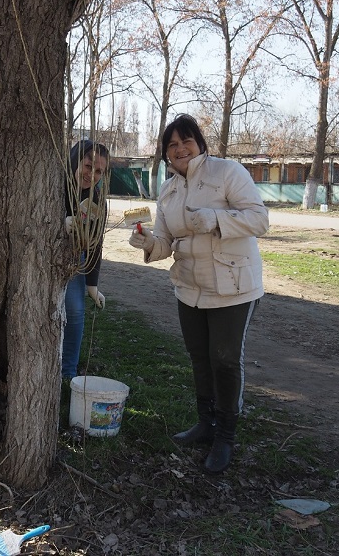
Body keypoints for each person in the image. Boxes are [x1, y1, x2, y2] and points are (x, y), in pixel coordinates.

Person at [128, 114, 269, 474]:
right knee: (199, 357)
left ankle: (226, 436)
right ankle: (205, 424)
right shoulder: (169, 190)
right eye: (172, 145)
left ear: (200, 144)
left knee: (224, 358)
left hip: (233, 287)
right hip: (189, 287)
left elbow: (259, 220)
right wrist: (147, 242)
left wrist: (218, 220)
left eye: (186, 141)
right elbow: (166, 243)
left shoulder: (227, 172)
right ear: (165, 154)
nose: (179, 149)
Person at [62, 140, 110, 379]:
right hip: (39, 258)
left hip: (73, 259)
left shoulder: (98, 199)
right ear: (75, 161)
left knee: (75, 312)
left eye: (99, 170)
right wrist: (61, 223)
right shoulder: (54, 184)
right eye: (89, 165)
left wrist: (92, 285)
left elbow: (96, 243)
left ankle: (67, 374)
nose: (92, 174)